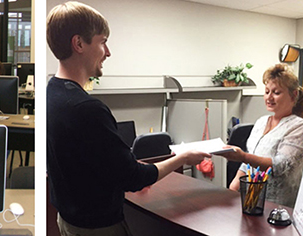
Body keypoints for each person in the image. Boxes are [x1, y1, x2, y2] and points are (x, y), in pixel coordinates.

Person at [47, 2, 211, 235]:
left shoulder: (51, 94)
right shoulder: (86, 108)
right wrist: (182, 158)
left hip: (68, 221)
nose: (108, 52)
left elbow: (93, 163)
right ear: (79, 44)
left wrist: (126, 164)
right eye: (103, 41)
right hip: (97, 228)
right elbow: (133, 179)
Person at [215, 63, 303, 208]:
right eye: (267, 92)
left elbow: (280, 166)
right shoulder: (261, 122)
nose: (269, 97)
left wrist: (243, 156)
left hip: (279, 205)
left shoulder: (299, 127)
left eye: (276, 92)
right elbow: (252, 156)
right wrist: (236, 181)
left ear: (294, 95)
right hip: (251, 199)